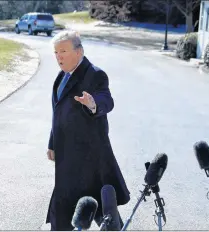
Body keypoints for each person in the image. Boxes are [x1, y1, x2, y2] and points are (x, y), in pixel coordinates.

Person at [45, 30, 131, 231]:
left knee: (102, 210)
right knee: (64, 207)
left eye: (63, 51)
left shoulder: (95, 74)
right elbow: (57, 114)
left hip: (91, 158)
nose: (59, 57)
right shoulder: (61, 77)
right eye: (56, 52)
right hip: (67, 158)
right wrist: (52, 143)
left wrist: (93, 105)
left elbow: (106, 100)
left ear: (79, 51)